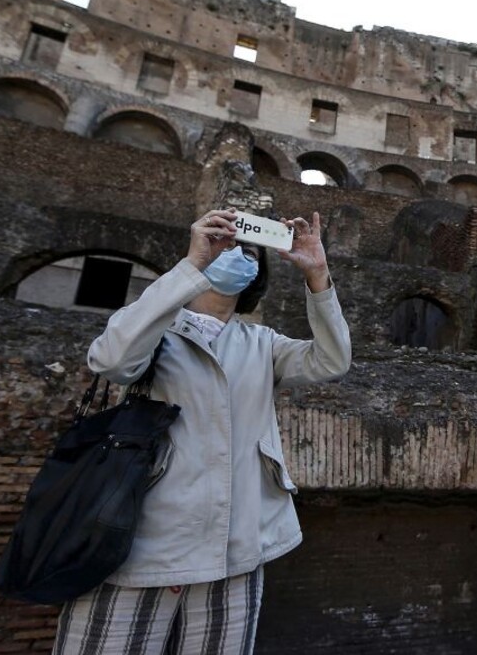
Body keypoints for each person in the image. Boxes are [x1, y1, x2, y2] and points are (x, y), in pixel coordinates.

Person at [52, 208, 351, 655]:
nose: (236, 252)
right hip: (138, 549)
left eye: (247, 248)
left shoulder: (263, 343)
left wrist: (318, 277)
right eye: (224, 242)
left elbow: (333, 361)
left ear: (255, 272)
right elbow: (111, 360)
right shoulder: (155, 329)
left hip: (235, 550)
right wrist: (190, 265)